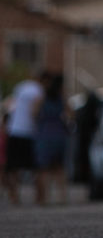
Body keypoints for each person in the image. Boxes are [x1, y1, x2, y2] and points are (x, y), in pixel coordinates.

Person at [2, 70, 44, 206]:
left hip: (14, 130)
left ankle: (14, 197)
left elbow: (10, 105)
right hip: (29, 132)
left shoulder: (20, 87)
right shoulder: (39, 90)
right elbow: (34, 112)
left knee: (12, 167)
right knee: (35, 167)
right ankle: (39, 197)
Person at [32, 74, 71, 206]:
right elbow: (71, 114)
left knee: (44, 168)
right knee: (59, 167)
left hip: (45, 134)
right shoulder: (61, 98)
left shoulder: (42, 98)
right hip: (59, 134)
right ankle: (62, 196)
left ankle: (45, 197)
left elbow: (34, 114)